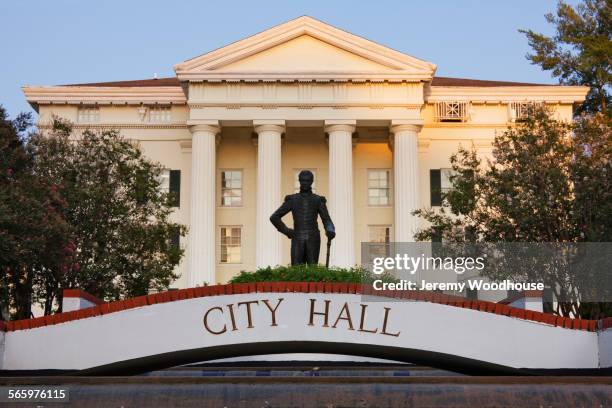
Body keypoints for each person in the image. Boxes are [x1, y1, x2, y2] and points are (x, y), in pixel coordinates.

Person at [270, 170, 335, 265]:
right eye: (303, 180)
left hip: (313, 238)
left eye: (307, 181)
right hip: (297, 238)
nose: (305, 183)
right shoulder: (292, 199)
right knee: (296, 269)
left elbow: (326, 219)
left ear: (311, 181)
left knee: (313, 270)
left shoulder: (318, 200)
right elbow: (274, 217)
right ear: (299, 181)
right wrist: (287, 231)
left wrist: (330, 230)